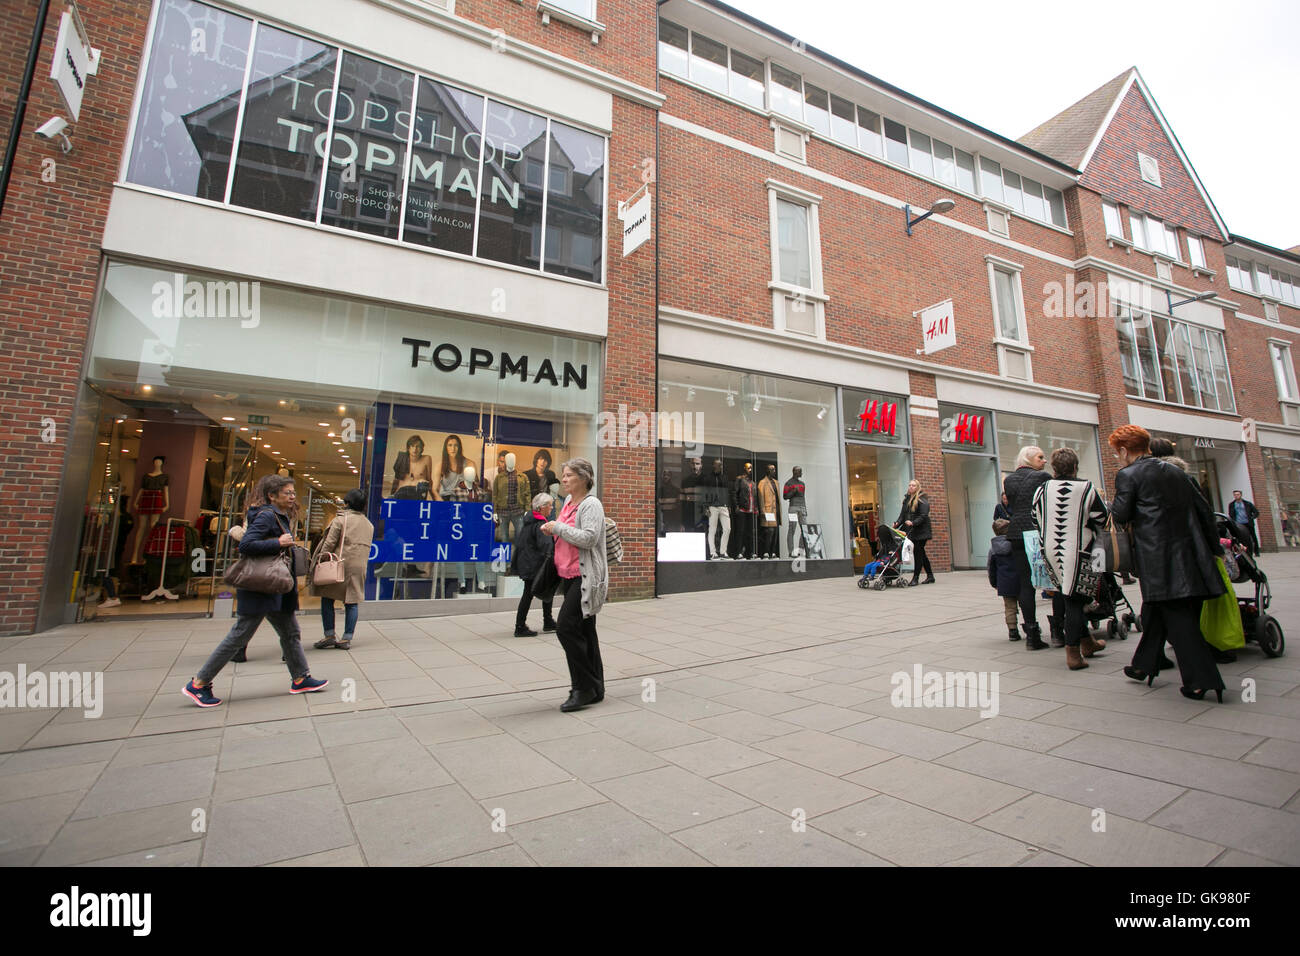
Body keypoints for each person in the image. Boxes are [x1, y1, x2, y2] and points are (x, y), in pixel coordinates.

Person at [182, 475, 327, 706]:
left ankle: (300, 678)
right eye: (287, 493)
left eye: (293, 493)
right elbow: (247, 544)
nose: (292, 497)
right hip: (261, 587)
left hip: (275, 587)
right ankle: (199, 683)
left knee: (290, 633)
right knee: (240, 634)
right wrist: (278, 543)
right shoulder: (267, 515)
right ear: (272, 495)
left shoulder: (279, 516)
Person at [1108, 425, 1226, 702]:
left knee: (1179, 619)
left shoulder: (1128, 474)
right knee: (1158, 611)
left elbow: (1121, 515)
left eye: (1117, 452)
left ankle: (1202, 680)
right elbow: (1204, 511)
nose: (1118, 457)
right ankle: (1143, 665)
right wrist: (1214, 549)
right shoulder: (1176, 472)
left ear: (1124, 450)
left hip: (1158, 557)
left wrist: (1113, 503)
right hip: (1190, 553)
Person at [540, 458, 607, 712]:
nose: (564, 479)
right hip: (568, 576)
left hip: (585, 577)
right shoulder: (568, 502)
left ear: (583, 478)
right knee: (586, 632)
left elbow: (588, 539)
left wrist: (557, 527)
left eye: (569, 475)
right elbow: (567, 533)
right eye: (564, 475)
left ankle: (583, 687)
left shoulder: (591, 505)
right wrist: (555, 529)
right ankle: (596, 687)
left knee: (566, 629)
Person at [1034, 448, 1109, 670]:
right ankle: (1073, 654)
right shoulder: (1086, 488)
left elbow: (1034, 517)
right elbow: (1102, 518)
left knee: (1069, 595)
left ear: (1054, 468)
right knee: (1076, 599)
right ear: (1075, 466)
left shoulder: (1043, 488)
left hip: (1051, 551)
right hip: (1079, 550)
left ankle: (1087, 643)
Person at [310, 488, 375, 651]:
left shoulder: (341, 520)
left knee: (327, 598)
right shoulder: (369, 524)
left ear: (348, 503)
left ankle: (329, 635)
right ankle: (347, 638)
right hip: (359, 566)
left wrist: (321, 559)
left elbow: (329, 543)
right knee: (352, 602)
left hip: (339, 564)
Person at [1003, 446, 1051, 649]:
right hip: (1038, 531)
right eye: (1040, 457)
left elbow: (1012, 505)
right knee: (1053, 582)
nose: (1044, 460)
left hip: (1016, 533)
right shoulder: (1043, 477)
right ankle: (1058, 630)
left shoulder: (1009, 480)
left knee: (1025, 584)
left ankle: (1031, 632)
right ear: (1029, 458)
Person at [511, 493, 557, 636]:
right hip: (535, 565)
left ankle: (547, 621)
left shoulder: (530, 521)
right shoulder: (540, 524)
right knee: (534, 593)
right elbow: (546, 546)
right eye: (549, 505)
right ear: (542, 507)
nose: (552, 507)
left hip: (529, 563)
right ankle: (520, 626)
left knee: (541, 592)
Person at [987, 518, 1021, 641]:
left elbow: (991, 568)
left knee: (1009, 607)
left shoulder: (993, 549)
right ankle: (1030, 627)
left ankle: (1012, 631)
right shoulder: (1016, 545)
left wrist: (994, 582)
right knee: (1025, 603)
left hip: (1004, 582)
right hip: (1020, 580)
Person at [896, 479, 935, 585]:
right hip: (912, 531)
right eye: (909, 485)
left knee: (918, 553)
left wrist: (913, 522)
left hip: (921, 531)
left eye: (913, 485)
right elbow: (902, 515)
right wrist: (897, 523)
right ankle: (930, 576)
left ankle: (915, 578)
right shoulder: (907, 499)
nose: (911, 487)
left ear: (918, 487)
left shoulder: (922, 500)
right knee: (921, 553)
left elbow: (923, 515)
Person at [436, 434, 470, 500]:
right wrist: (440, 501)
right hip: (445, 497)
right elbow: (435, 489)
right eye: (450, 445)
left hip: (461, 497)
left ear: (459, 448)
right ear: (446, 448)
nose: (453, 448)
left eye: (456, 445)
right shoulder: (440, 465)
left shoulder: (467, 464)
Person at [1228, 490, 1261, 557]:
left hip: (1248, 523)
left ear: (1241, 495)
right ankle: (1244, 551)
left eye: (1238, 494)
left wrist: (1251, 518)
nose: (1236, 496)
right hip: (1239, 524)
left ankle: (1256, 552)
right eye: (1235, 495)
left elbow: (1256, 512)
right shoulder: (1232, 505)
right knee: (1240, 538)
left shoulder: (1247, 504)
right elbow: (1230, 514)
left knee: (1253, 537)